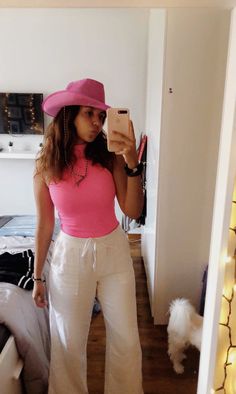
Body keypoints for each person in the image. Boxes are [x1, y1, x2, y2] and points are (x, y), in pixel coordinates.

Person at [32, 78, 144, 394]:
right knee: (67, 341)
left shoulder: (110, 157)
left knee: (126, 338)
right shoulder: (46, 163)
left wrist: (132, 160)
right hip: (69, 255)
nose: (97, 123)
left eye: (101, 116)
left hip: (114, 252)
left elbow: (133, 211)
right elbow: (43, 224)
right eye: (88, 114)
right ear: (69, 115)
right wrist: (37, 276)